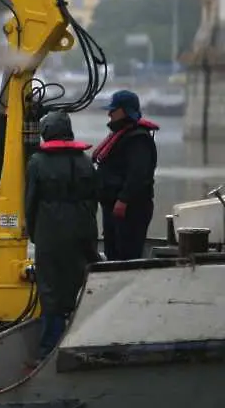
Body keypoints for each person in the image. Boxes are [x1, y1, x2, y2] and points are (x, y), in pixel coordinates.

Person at [25, 111, 99, 361]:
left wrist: (35, 234)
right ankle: (82, 338)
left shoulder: (37, 162)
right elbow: (94, 199)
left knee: (50, 290)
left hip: (50, 230)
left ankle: (48, 349)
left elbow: (31, 202)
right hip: (82, 228)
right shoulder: (85, 161)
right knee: (78, 284)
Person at [92, 90, 159, 261]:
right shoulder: (121, 135)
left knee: (127, 256)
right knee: (113, 254)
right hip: (113, 207)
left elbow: (138, 174)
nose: (109, 113)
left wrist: (123, 199)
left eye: (114, 110)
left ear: (125, 111)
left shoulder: (138, 139)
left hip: (130, 209)